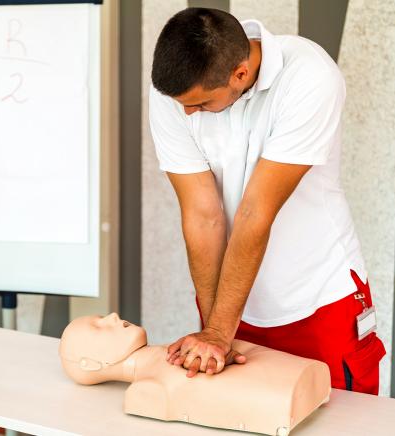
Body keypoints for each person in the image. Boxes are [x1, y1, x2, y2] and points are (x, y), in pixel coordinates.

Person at [148, 8, 385, 392]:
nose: (188, 113)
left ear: (240, 75)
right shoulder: (179, 90)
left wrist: (219, 332)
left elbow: (255, 212)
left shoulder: (309, 76)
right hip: (231, 304)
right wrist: (216, 330)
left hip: (316, 298)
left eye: (202, 105)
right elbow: (201, 213)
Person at [59, 313, 331, 436]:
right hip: (292, 401)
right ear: (90, 364)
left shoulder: (177, 350)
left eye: (101, 316)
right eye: (98, 326)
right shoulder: (146, 390)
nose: (113, 316)